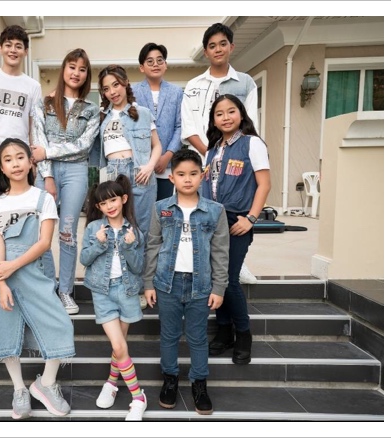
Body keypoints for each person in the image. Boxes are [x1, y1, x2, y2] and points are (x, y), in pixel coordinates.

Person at [0, 138, 75, 420]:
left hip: (33, 270)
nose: (15, 163)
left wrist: (13, 266)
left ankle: (45, 383)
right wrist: (1, 282)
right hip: (2, 275)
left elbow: (44, 243)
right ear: (1, 167)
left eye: (20, 157)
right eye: (8, 159)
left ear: (30, 161)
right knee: (6, 329)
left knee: (60, 323)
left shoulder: (43, 199)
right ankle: (19, 389)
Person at [143, 148, 229, 415]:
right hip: (166, 284)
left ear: (202, 176)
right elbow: (153, 246)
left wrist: (219, 287)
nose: (187, 179)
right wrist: (148, 283)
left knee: (197, 337)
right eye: (181, 174)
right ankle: (170, 379)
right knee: (169, 335)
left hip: (200, 285)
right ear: (172, 178)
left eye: (193, 173)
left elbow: (220, 252)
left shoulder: (215, 211)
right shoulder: (161, 209)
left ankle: (199, 384)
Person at [181, 22, 259, 285]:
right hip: (199, 159)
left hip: (235, 158)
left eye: (222, 44)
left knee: (232, 212)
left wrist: (225, 155)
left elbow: (250, 123)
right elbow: (188, 127)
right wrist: (212, 154)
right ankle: (199, 266)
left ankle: (237, 263)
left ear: (231, 47)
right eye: (212, 46)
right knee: (201, 214)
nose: (218, 49)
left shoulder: (245, 83)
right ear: (206, 51)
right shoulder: (193, 85)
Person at [201, 94, 271, 365]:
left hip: (237, 220)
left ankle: (243, 334)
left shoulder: (252, 143)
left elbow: (264, 184)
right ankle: (224, 331)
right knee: (216, 278)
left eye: (231, 111)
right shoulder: (212, 149)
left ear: (241, 114)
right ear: (213, 120)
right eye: (219, 114)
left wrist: (251, 218)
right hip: (212, 220)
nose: (226, 117)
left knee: (229, 278)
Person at [30, 48, 100, 315]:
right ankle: (49, 287)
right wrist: (47, 175)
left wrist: (48, 152)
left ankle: (66, 291)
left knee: (67, 233)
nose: (76, 73)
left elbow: (83, 146)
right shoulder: (45, 104)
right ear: (63, 69)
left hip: (75, 173)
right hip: (46, 173)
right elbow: (38, 142)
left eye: (82, 69)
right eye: (72, 67)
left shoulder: (91, 110)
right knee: (43, 232)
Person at [93, 64, 162, 311]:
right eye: (106, 88)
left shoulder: (142, 113)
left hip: (140, 173)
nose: (112, 91)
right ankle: (120, 285)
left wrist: (150, 166)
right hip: (112, 174)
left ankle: (143, 287)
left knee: (141, 231)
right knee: (116, 230)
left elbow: (157, 145)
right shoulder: (101, 118)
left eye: (116, 85)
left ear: (125, 84)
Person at [80, 175, 147, 421]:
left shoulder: (135, 232)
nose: (109, 206)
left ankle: (111, 382)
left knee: (120, 346)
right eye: (103, 203)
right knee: (119, 346)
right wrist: (99, 244)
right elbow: (84, 259)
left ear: (123, 199)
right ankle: (138, 397)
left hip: (127, 291)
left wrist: (129, 246)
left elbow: (138, 267)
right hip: (103, 292)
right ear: (98, 207)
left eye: (113, 200)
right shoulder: (93, 229)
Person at [0, 24, 42, 145]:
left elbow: (34, 128)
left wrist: (34, 152)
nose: (13, 50)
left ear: (25, 51)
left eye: (18, 46)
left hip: (19, 152)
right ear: (0, 48)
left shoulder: (34, 86)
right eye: (8, 45)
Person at [132, 42, 184, 201]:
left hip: (167, 166)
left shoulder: (177, 92)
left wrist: (167, 155)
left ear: (165, 65)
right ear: (142, 67)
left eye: (160, 60)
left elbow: (180, 126)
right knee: (142, 210)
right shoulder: (132, 92)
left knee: (164, 209)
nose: (155, 64)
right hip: (140, 166)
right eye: (150, 61)